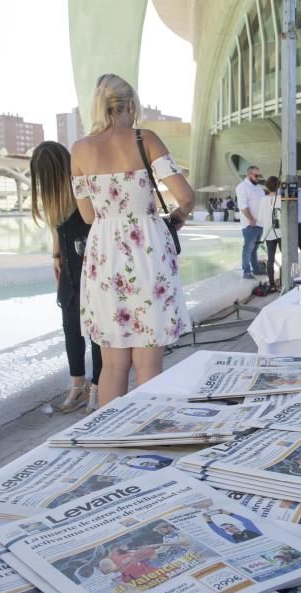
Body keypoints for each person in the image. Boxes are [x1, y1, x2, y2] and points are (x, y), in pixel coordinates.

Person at [71, 73, 194, 406]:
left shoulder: (80, 150)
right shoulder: (146, 139)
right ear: (131, 104)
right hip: (147, 251)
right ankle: (147, 432)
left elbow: (86, 216)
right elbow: (185, 196)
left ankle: (112, 438)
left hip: (104, 255)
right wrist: (177, 218)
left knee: (112, 364)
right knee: (148, 362)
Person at [30, 141, 102, 414]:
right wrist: (55, 257)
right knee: (71, 327)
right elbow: (56, 228)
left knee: (94, 329)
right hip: (70, 268)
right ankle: (78, 384)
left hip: (91, 266)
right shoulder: (54, 196)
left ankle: (96, 386)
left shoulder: (81, 185)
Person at [236, 165, 265, 278]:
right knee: (248, 248)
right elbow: (243, 206)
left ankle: (256, 269)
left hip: (260, 224)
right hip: (250, 224)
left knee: (255, 249)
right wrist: (251, 219)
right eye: (256, 175)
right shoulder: (242, 187)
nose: (258, 178)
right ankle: (246, 271)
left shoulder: (258, 188)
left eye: (259, 176)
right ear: (249, 175)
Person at [257, 176, 283, 291]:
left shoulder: (263, 200)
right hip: (281, 232)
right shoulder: (282, 199)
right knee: (285, 258)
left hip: (268, 233)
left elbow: (260, 218)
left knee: (270, 260)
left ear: (267, 186)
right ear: (279, 186)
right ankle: (284, 283)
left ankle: (272, 285)